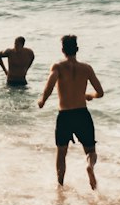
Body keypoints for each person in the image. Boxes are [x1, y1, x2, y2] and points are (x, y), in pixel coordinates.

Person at [37, 33, 103, 189]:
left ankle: (60, 185)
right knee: (90, 150)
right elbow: (100, 92)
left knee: (61, 152)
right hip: (82, 114)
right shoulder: (86, 68)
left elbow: (50, 85)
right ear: (77, 49)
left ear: (62, 50)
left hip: (65, 115)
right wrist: (89, 95)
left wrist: (42, 101)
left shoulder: (58, 67)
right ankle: (90, 166)